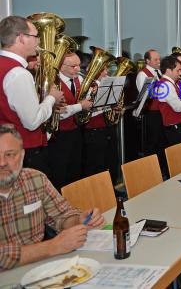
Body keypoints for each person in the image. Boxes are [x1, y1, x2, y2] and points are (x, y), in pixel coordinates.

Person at [0, 124, 104, 271]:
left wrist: (77, 220)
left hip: (40, 270)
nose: (2, 163)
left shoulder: (35, 179)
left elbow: (62, 214)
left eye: (10, 154)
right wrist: (52, 247)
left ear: (22, 155)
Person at [0, 15, 64, 176]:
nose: (39, 42)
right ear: (21, 38)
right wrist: (51, 98)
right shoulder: (18, 73)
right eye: (36, 36)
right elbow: (31, 122)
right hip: (25, 153)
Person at [47, 52, 92, 190]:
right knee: (60, 173)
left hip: (77, 131)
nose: (78, 69)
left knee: (75, 170)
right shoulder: (53, 83)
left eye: (79, 65)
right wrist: (81, 106)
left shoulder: (80, 79)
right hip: (59, 135)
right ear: (61, 66)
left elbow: (88, 101)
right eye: (73, 66)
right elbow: (58, 112)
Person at [136, 49, 166, 172]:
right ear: (147, 61)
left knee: (161, 141)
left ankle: (162, 169)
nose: (159, 61)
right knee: (152, 143)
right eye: (156, 59)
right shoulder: (142, 74)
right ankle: (151, 171)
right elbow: (145, 95)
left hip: (162, 111)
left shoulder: (159, 72)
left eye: (159, 59)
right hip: (151, 112)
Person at [157, 55, 181, 148]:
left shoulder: (171, 83)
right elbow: (178, 107)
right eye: (178, 70)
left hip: (179, 127)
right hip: (176, 128)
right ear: (168, 70)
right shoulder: (165, 85)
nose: (180, 73)